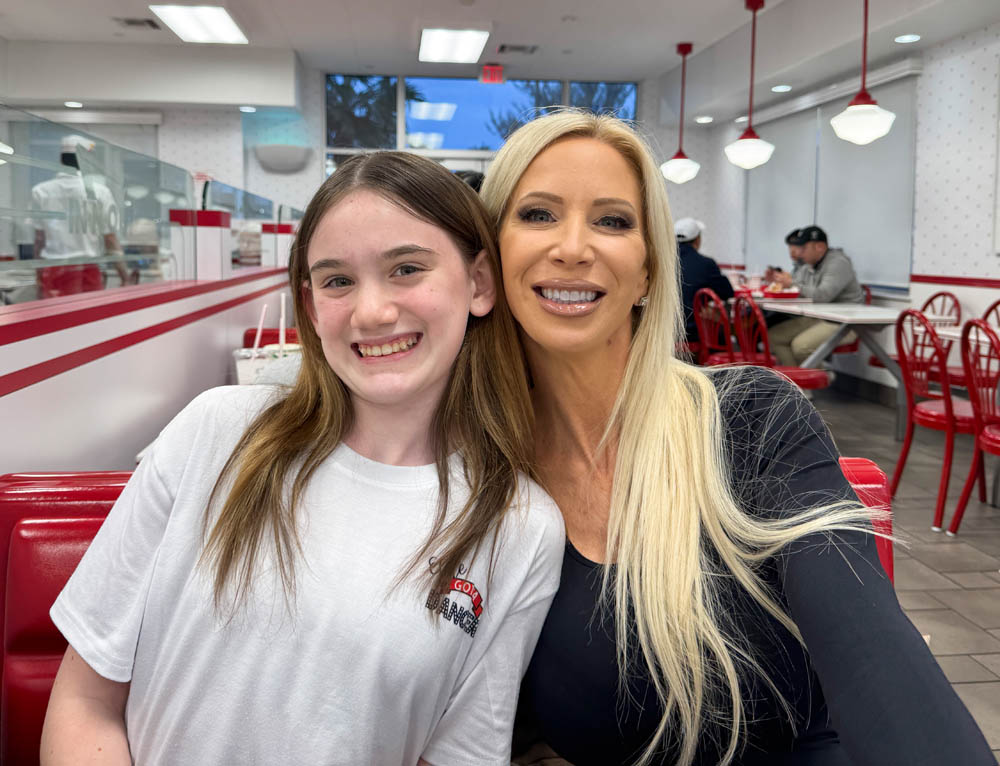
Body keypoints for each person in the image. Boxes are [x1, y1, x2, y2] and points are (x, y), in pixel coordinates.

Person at [479, 111, 993, 766]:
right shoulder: (470, 475)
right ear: (489, 258)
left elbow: (877, 658)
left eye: (612, 221)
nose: (574, 246)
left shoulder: (753, 420)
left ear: (646, 273)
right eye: (538, 214)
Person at [41, 152, 564, 765]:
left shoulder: (520, 527)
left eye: (406, 268)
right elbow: (86, 700)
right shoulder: (216, 434)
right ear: (311, 307)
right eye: (338, 280)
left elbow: (454, 757)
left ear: (478, 284)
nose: (372, 312)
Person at [32, 134, 131, 299]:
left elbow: (39, 240)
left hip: (55, 270)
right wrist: (125, 277)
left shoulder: (41, 191)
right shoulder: (100, 192)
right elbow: (111, 240)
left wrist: (38, 274)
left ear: (61, 159)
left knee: (56, 321)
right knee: (89, 320)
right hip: (87, 269)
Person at [766, 225, 865, 366]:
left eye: (803, 248)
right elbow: (799, 288)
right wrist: (779, 281)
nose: (799, 253)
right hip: (819, 317)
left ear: (819, 247)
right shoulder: (810, 265)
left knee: (801, 347)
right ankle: (794, 385)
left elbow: (822, 296)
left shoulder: (838, 263)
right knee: (773, 337)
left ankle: (822, 378)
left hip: (843, 323)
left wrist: (792, 284)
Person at [674, 217, 734, 345]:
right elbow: (728, 292)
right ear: (697, 240)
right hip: (691, 332)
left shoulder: (660, 263)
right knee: (723, 330)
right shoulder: (706, 264)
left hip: (663, 331)